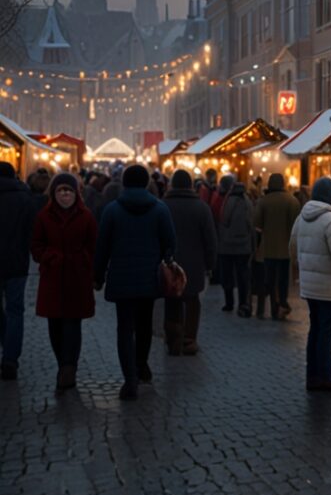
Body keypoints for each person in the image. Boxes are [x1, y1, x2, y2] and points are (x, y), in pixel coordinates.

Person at [94, 164, 176, 400]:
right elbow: (170, 242)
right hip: (149, 277)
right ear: (147, 182)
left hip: (121, 277)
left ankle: (129, 378)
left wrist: (98, 275)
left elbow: (102, 247)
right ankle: (141, 366)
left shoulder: (112, 211)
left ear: (124, 183)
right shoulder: (160, 209)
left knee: (124, 328)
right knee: (144, 326)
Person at [31, 173, 97, 390]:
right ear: (54, 193)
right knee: (55, 325)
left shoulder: (86, 216)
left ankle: (69, 367)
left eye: (68, 191)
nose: (65, 195)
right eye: (61, 191)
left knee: (72, 324)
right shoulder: (44, 216)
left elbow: (93, 245)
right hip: (53, 278)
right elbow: (36, 246)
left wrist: (84, 260)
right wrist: (50, 257)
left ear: (75, 193)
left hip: (77, 278)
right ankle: (63, 363)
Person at [290, 177, 331, 392]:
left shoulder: (303, 217)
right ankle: (325, 375)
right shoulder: (330, 220)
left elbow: (292, 247)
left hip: (310, 286)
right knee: (326, 331)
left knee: (315, 330)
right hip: (329, 287)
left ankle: (313, 374)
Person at [163, 170, 217, 355]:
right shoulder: (201, 208)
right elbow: (210, 239)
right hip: (194, 264)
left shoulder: (163, 206)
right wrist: (210, 264)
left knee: (171, 301)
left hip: (169, 264)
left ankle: (172, 338)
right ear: (190, 185)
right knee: (192, 301)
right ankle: (188, 339)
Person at [0, 162, 35, 381]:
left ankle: (6, 342)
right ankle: (11, 358)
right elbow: (31, 233)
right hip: (16, 264)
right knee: (15, 310)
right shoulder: (24, 198)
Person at [254, 173, 300, 320]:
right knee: (283, 281)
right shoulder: (292, 201)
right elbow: (296, 226)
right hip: (285, 250)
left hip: (267, 249)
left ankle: (272, 308)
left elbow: (257, 223)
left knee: (269, 280)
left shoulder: (263, 201)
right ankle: (281, 305)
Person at [218, 176, 255, 316]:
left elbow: (224, 219)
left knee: (227, 275)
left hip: (227, 245)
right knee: (242, 276)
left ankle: (229, 303)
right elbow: (252, 222)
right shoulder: (247, 201)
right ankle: (242, 303)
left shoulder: (228, 201)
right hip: (244, 246)